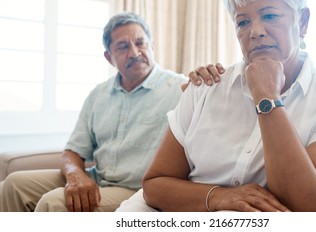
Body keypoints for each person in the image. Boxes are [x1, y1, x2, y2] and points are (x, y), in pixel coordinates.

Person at [116, 0, 316, 212]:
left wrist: (267, 97)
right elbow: (155, 184)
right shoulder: (206, 87)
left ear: (302, 22)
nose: (255, 32)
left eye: (269, 16)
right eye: (243, 22)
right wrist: (219, 197)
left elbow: (308, 201)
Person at [0, 11, 223, 212]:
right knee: (13, 184)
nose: (135, 52)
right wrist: (76, 175)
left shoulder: (181, 89)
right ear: (109, 57)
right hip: (97, 178)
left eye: (140, 43)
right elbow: (73, 152)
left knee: (54, 202)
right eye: (123, 47)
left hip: (138, 190)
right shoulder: (99, 94)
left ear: (152, 46)